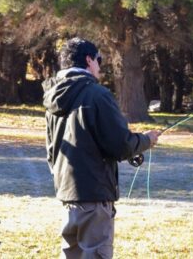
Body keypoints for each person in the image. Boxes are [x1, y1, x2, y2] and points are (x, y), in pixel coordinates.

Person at [43, 38, 160, 258]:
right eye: (99, 59)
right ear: (89, 60)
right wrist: (146, 140)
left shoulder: (53, 98)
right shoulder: (98, 94)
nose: (100, 65)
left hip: (67, 194)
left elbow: (51, 149)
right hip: (94, 196)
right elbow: (121, 145)